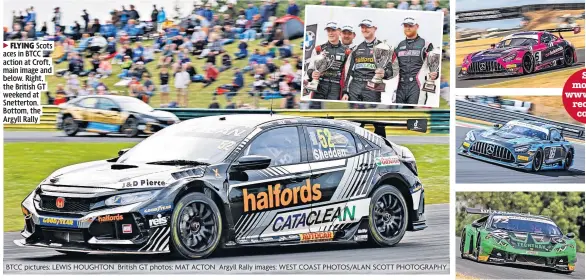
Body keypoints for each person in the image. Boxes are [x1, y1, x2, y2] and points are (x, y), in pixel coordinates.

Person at [343, 19, 399, 103]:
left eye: (367, 27)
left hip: (373, 86)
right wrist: (345, 92)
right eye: (362, 27)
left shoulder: (384, 47)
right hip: (355, 86)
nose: (364, 29)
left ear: (375, 28)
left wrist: (384, 74)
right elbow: (348, 72)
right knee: (353, 114)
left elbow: (394, 69)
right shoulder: (356, 48)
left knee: (369, 114)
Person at [394, 17, 438, 105]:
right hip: (400, 87)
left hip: (417, 86)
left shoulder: (426, 44)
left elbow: (434, 66)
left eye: (410, 25)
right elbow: (393, 67)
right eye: (405, 26)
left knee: (414, 113)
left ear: (417, 26)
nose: (408, 28)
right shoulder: (399, 45)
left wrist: (435, 74)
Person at [306, 22, 348, 100]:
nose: (330, 33)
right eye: (328, 31)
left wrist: (346, 92)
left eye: (333, 30)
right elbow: (309, 69)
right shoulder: (318, 49)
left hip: (336, 89)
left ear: (339, 32)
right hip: (319, 87)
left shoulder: (347, 51)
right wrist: (312, 74)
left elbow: (348, 74)